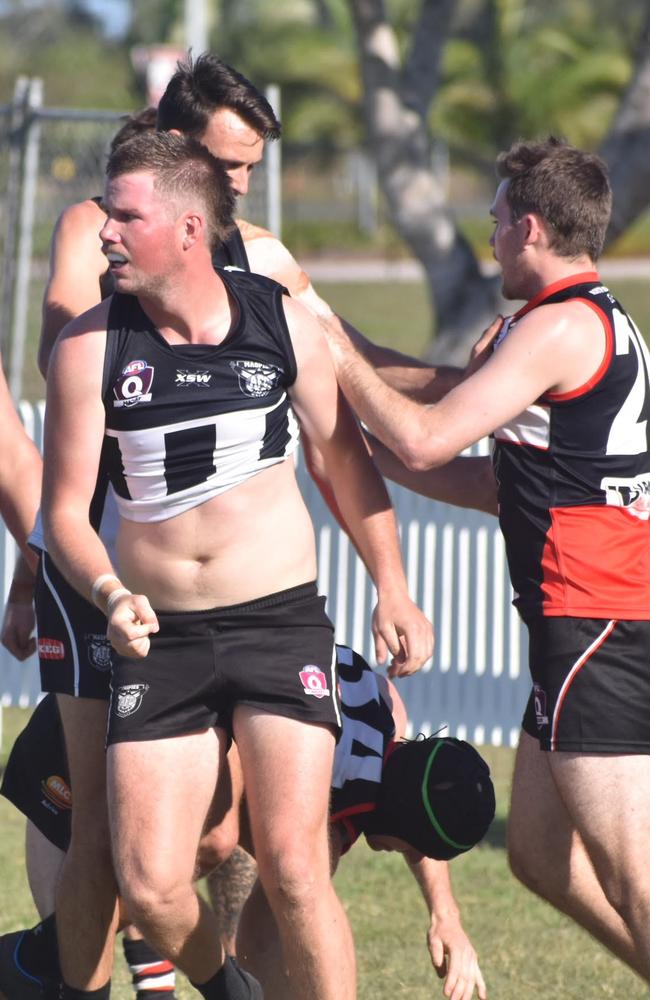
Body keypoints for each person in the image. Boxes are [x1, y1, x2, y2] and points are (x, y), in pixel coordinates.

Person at [40, 131, 431, 1000]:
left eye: (124, 214)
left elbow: (343, 463)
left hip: (278, 624)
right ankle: (231, 990)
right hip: (159, 636)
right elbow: (65, 510)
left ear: (186, 228)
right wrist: (107, 592)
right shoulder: (90, 348)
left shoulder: (279, 321)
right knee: (148, 884)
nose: (104, 230)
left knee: (294, 866)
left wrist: (394, 587)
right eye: (106, 211)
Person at [319, 136, 650, 984]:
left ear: (530, 228)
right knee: (539, 855)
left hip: (599, 629)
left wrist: (333, 352)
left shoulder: (556, 329)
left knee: (634, 883)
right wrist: (323, 345)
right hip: (583, 627)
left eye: (497, 220)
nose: (491, 234)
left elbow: (426, 436)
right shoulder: (579, 320)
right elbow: (485, 474)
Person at [1, 645, 494, 1000]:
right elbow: (257, 929)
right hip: (79, 744)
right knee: (63, 965)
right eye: (401, 845)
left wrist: (445, 914)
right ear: (394, 824)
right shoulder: (323, 797)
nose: (390, 852)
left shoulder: (385, 707)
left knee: (75, 952)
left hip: (125, 730)